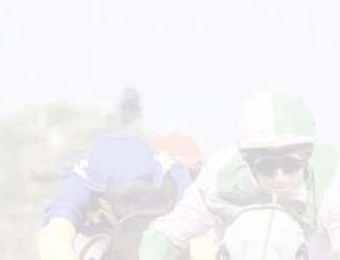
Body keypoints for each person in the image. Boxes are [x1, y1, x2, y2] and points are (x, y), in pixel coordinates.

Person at [139, 90, 340, 260]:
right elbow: (166, 234)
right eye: (267, 167)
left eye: (291, 165)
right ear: (250, 163)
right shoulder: (218, 179)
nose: (279, 177)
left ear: (307, 157)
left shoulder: (333, 185)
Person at [37, 134, 193, 260]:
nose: (136, 203)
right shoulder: (78, 180)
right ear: (102, 196)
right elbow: (55, 235)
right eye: (128, 199)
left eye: (139, 195)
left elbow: (200, 229)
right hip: (98, 230)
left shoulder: (173, 174)